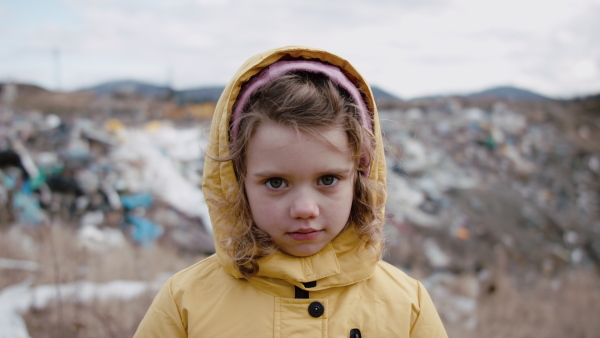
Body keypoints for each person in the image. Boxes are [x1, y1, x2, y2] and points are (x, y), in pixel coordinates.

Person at [134, 46, 448, 337]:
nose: (304, 209)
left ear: (359, 178)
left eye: (327, 180)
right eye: (276, 182)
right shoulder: (185, 303)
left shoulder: (407, 307)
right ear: (237, 182)